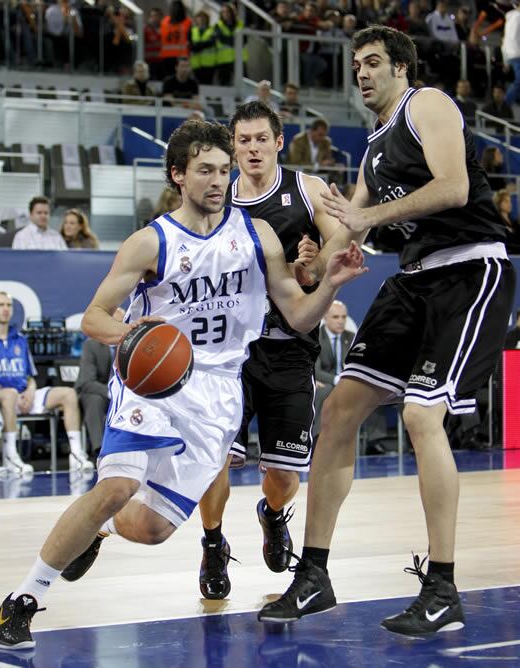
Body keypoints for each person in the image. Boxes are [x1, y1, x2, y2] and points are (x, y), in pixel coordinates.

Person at [0, 119, 366, 650]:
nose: (218, 181)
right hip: (153, 382)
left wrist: (329, 282)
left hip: (217, 393)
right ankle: (21, 603)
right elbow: (95, 317)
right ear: (178, 175)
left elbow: (300, 316)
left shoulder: (256, 236)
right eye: (205, 171)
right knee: (117, 485)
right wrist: (139, 338)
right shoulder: (151, 242)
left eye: (223, 170)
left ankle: (98, 529)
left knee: (149, 528)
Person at [258, 25, 515, 637]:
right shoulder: (373, 148)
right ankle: (314, 576)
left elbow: (453, 187)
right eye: (356, 66)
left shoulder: (426, 104)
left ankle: (444, 587)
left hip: (470, 268)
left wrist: (369, 215)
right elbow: (348, 229)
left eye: (373, 62)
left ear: (401, 67)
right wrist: (314, 263)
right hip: (414, 279)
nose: (363, 74)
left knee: (422, 416)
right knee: (340, 410)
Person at [197, 101, 341, 600]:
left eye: (262, 139)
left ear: (279, 142)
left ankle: (273, 513)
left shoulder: (307, 189)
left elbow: (337, 251)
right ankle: (213, 544)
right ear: (232, 147)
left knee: (281, 474)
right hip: (230, 352)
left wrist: (317, 262)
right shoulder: (217, 198)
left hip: (290, 348)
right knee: (217, 456)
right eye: (244, 140)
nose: (253, 148)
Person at [0, 291, 94, 476]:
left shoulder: (20, 339)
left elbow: (30, 375)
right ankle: (10, 456)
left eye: (8, 305)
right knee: (8, 394)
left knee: (68, 394)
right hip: (1, 397)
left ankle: (76, 454)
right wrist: (13, 394)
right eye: (0, 305)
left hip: (25, 394)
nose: (6, 309)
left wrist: (31, 391)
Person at [75, 309, 125, 456]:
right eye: (116, 324)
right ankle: (101, 450)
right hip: (100, 392)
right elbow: (87, 382)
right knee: (93, 399)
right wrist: (112, 392)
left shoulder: (131, 345)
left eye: (123, 323)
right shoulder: (91, 345)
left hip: (124, 393)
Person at [313, 300, 353, 438]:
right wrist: (338, 380)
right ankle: (317, 436)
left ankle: (375, 439)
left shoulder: (352, 338)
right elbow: (316, 371)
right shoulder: (316, 337)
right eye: (336, 317)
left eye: (343, 317)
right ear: (325, 317)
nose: (341, 321)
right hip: (326, 382)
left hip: (348, 384)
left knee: (368, 392)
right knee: (325, 390)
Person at [502, 0, 520, 107]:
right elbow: (511, 38)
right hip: (516, 54)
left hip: (513, 54)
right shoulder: (516, 17)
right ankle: (505, 104)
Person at [493, 188, 520, 254]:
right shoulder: (497, 222)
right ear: (498, 203)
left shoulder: (515, 223)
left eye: (510, 201)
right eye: (506, 201)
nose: (509, 204)